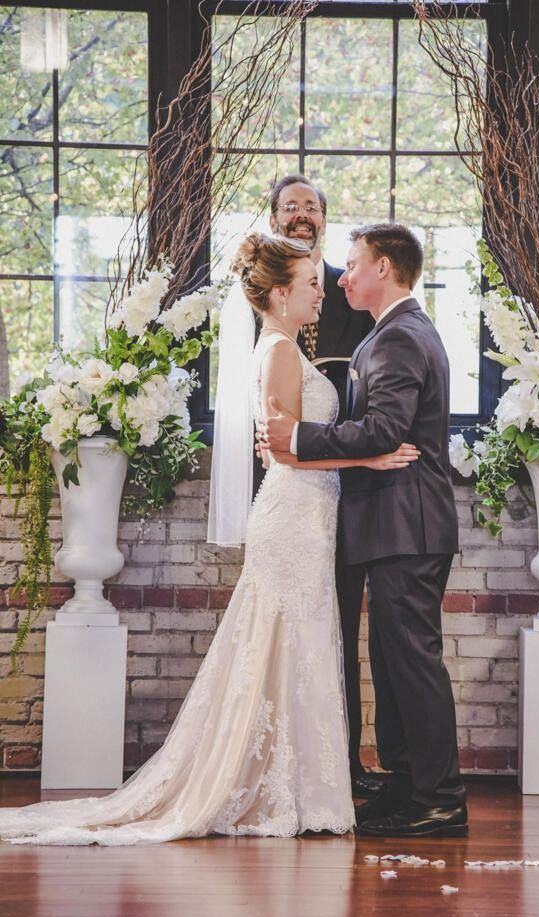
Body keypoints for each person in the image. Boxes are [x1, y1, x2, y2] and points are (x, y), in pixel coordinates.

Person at [0, 234, 417, 847]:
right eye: (308, 284)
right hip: (294, 516)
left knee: (300, 646)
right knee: (290, 642)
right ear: (278, 292)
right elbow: (285, 454)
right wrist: (370, 461)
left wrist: (338, 456)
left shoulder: (284, 347)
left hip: (311, 513)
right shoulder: (277, 349)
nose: (320, 291)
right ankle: (283, 791)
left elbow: (287, 443)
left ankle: (300, 787)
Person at [261, 223, 467, 838]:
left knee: (413, 662)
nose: (342, 277)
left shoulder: (400, 337)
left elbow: (384, 431)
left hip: (408, 525)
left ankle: (441, 798)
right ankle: (408, 787)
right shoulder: (395, 333)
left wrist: (295, 438)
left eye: (352, 265)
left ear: (384, 268)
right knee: (395, 661)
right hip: (395, 525)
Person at [211, 173, 380, 800]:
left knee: (330, 632)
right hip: (296, 490)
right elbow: (275, 421)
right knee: (292, 632)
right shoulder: (267, 318)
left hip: (331, 492)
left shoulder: (342, 290)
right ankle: (278, 770)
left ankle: (334, 766)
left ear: (326, 218)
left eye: (312, 206)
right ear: (275, 217)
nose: (302, 214)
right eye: (290, 206)